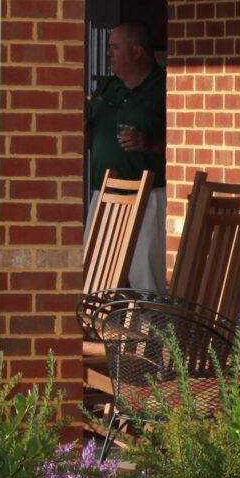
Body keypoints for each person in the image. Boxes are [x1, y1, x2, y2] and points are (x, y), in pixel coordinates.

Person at [84, 22, 166, 292]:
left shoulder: (164, 86)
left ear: (138, 51)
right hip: (105, 192)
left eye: (115, 48)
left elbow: (190, 140)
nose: (109, 54)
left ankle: (153, 332)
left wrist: (150, 144)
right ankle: (101, 329)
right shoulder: (106, 87)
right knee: (96, 274)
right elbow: (86, 139)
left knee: (145, 273)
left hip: (148, 194)